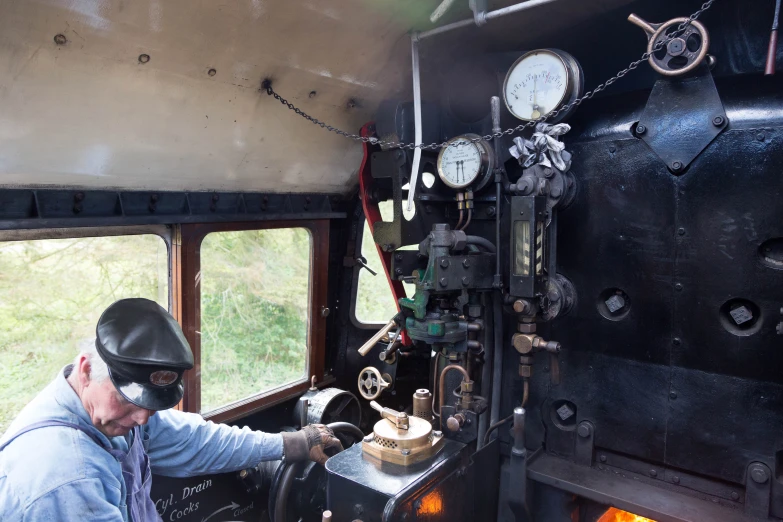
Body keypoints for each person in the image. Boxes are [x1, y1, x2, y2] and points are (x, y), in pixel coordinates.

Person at [0, 298, 342, 521]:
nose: (142, 419)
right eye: (132, 402)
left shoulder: (116, 415)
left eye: (152, 406)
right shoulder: (66, 476)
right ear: (86, 369)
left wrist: (293, 444)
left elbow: (198, 441)